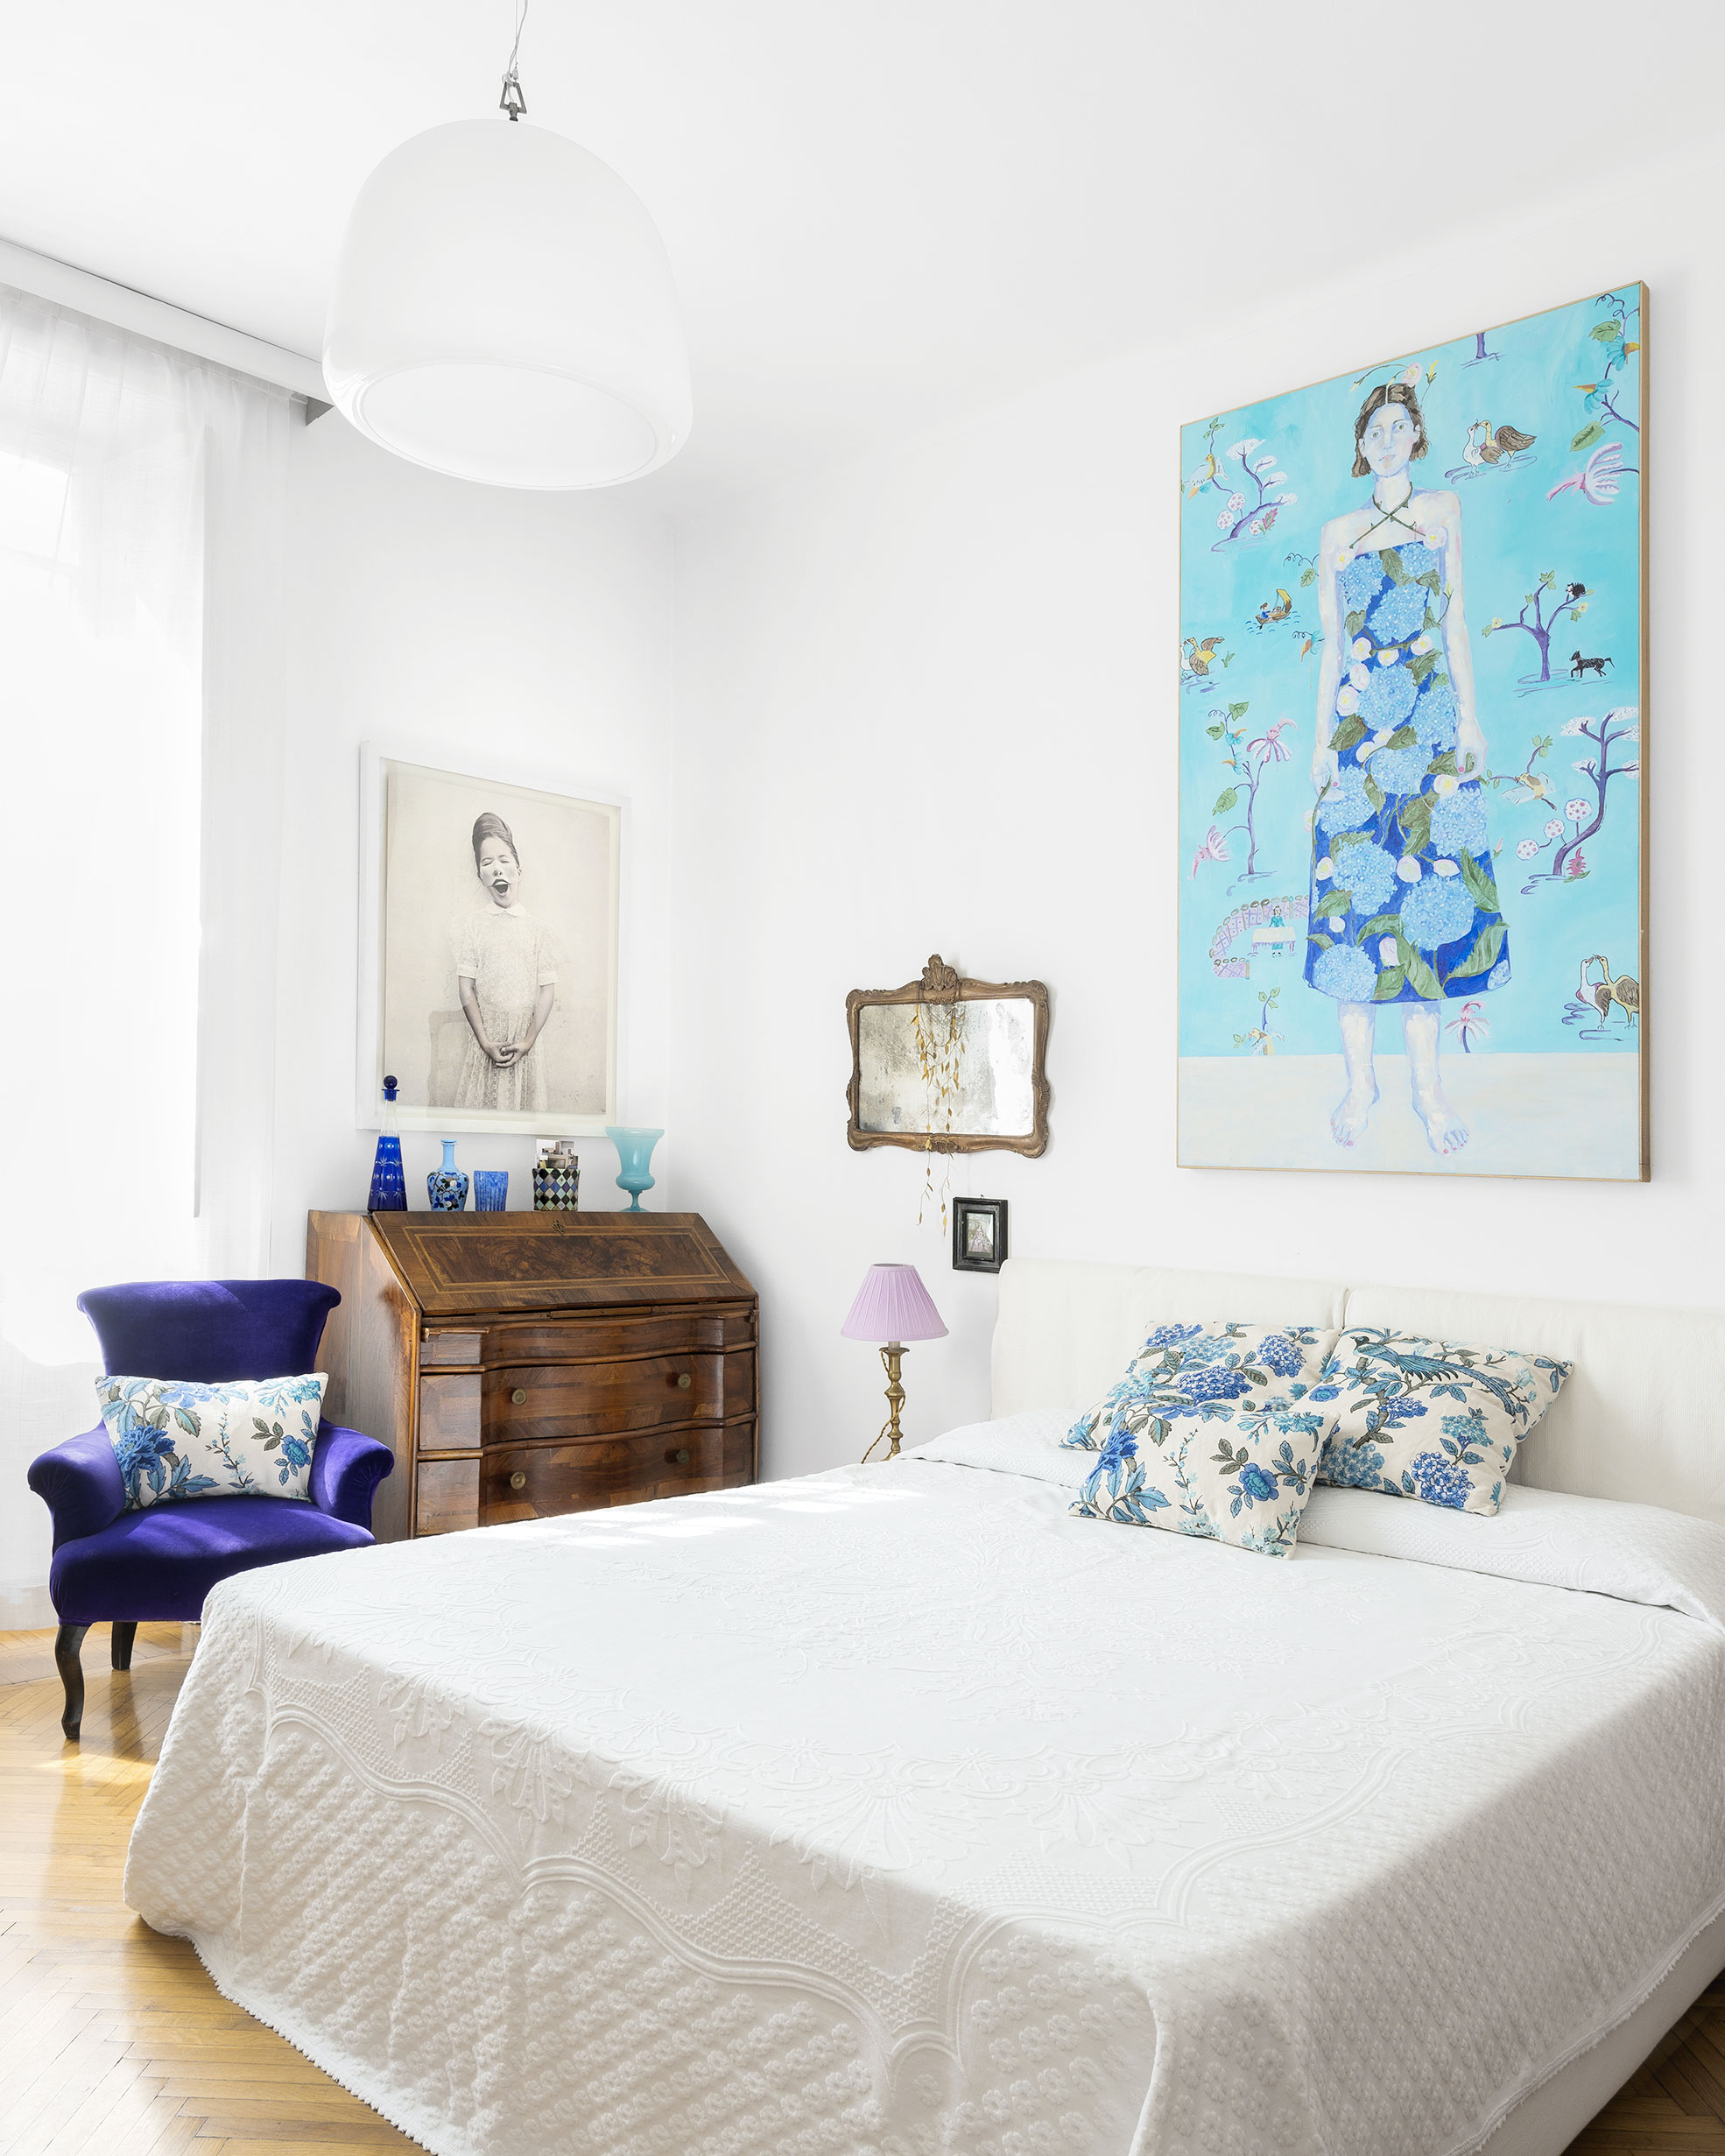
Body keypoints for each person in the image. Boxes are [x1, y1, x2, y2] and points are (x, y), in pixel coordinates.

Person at [1305, 380, 1510, 1156]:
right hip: (1358, 729)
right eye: (1376, 428)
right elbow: (1332, 644)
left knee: (1429, 902)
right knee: (1355, 909)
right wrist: (1324, 742)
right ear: (1361, 443)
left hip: (1427, 725)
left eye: (1400, 426)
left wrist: (1470, 716)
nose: (1388, 438)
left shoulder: (1442, 513)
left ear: (1416, 438)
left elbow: (1454, 619)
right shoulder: (1337, 532)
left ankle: (1428, 1090)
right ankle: (1362, 1085)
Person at [453, 812, 558, 1112]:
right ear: (479, 876)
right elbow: (465, 989)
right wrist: (485, 1042)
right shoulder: (471, 927)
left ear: (518, 870)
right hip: (485, 1039)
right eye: (487, 864)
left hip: (525, 1041)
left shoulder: (539, 931)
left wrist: (527, 1040)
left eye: (504, 860)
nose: (497, 869)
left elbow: (548, 990)